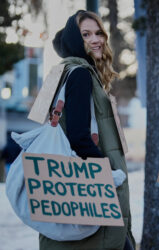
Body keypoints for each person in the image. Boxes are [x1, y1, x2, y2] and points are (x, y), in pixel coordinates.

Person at [39, 10, 135, 249]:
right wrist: (109, 172)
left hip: (70, 188)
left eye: (99, 33)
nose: (96, 39)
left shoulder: (62, 72)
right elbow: (79, 137)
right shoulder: (80, 74)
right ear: (74, 40)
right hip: (93, 188)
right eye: (86, 34)